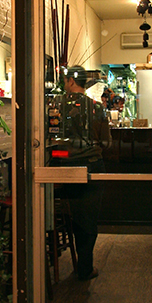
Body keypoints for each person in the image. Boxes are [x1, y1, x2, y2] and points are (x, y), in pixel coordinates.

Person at [51, 66, 109, 280]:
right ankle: (85, 267)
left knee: (73, 216)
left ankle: (54, 260)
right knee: (89, 218)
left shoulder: (56, 106)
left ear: (71, 81)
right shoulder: (97, 108)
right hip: (92, 165)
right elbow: (107, 142)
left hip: (64, 168)